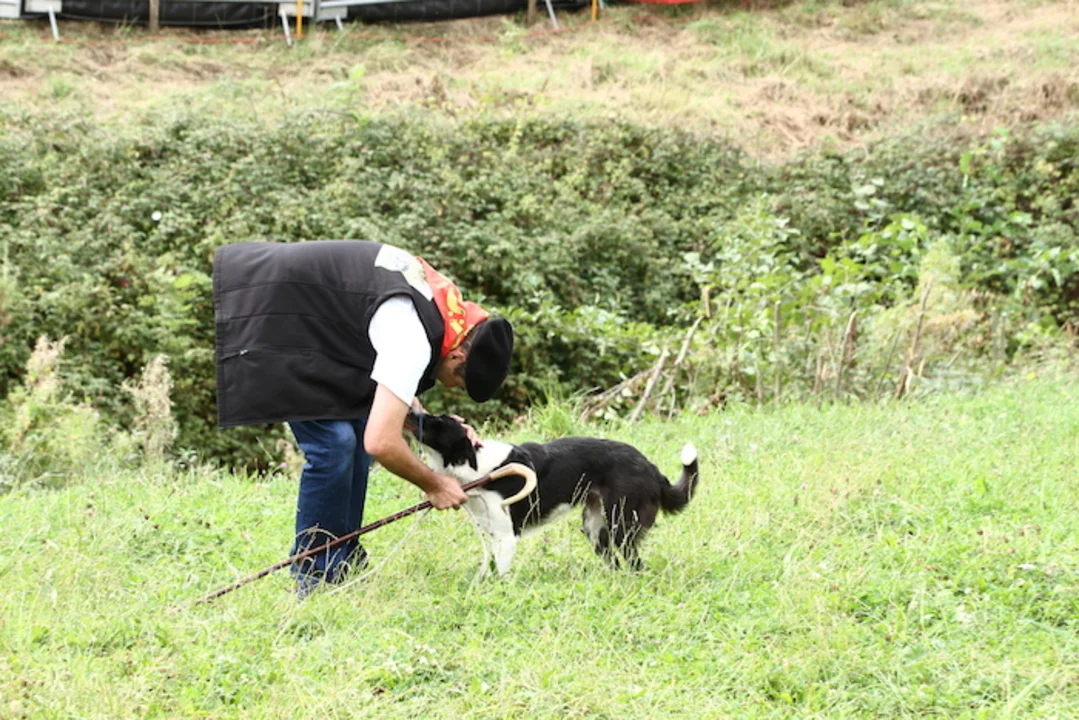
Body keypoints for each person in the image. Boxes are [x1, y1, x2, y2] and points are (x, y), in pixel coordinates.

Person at [212, 240, 514, 595]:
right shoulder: (413, 338)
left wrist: (432, 426)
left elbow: (391, 397)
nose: (449, 387)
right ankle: (315, 574)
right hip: (277, 312)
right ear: (458, 357)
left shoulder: (444, 312)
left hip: (318, 325)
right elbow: (382, 442)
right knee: (334, 444)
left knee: (355, 431)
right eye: (458, 383)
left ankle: (342, 556)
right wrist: (434, 484)